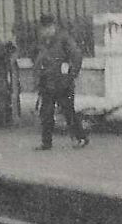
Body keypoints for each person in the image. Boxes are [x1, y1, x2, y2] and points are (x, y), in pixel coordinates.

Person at [33, 14, 87, 150]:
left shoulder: (64, 38)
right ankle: (46, 142)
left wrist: (71, 75)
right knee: (46, 114)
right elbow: (38, 59)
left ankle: (81, 138)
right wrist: (38, 78)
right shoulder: (43, 42)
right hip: (47, 83)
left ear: (52, 27)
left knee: (68, 112)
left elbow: (76, 55)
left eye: (46, 28)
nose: (44, 31)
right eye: (42, 29)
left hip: (62, 83)